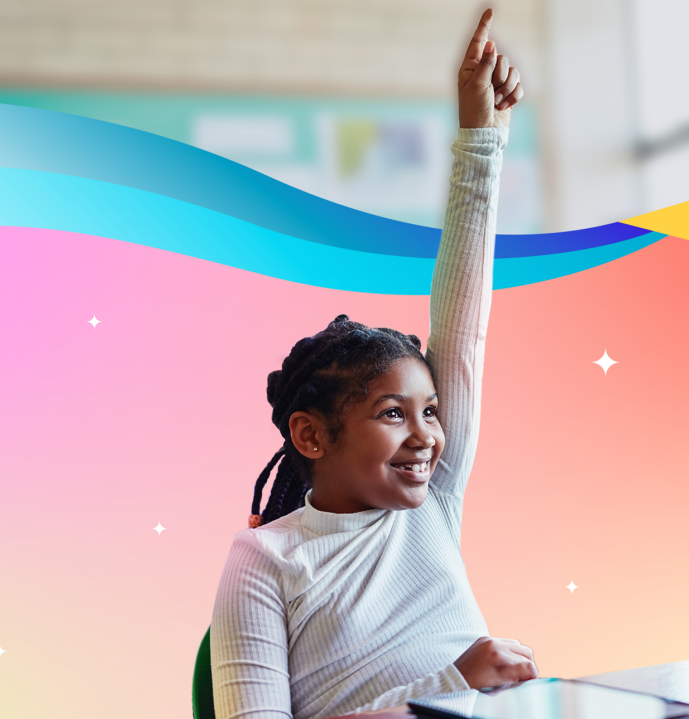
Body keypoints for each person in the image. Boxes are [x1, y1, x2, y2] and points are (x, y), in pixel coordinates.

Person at [210, 9, 535, 719]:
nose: (427, 436)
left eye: (430, 410)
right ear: (313, 435)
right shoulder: (266, 561)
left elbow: (464, 329)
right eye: (393, 413)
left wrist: (483, 140)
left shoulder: (432, 500)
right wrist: (448, 685)